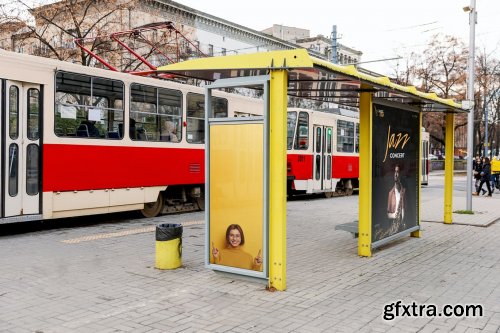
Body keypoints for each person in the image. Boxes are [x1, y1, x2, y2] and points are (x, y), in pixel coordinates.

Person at [387, 164, 405, 231]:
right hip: (395, 189)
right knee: (395, 203)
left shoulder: (401, 176)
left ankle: (400, 221)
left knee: (399, 204)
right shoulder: (393, 175)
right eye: (395, 170)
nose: (396, 172)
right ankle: (394, 221)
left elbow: (401, 183)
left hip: (399, 189)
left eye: (398, 170)